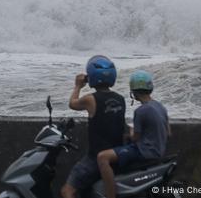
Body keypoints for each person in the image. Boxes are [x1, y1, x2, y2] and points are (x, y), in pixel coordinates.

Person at [96, 70, 170, 198]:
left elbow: (136, 138)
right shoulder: (160, 107)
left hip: (145, 152)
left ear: (134, 92)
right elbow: (168, 133)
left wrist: (130, 132)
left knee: (103, 157)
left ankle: (110, 195)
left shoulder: (141, 111)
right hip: (159, 151)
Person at [61, 55, 126, 198]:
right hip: (116, 154)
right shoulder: (120, 99)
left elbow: (72, 103)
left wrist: (78, 85)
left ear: (92, 76)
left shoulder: (91, 99)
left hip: (95, 158)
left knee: (67, 192)